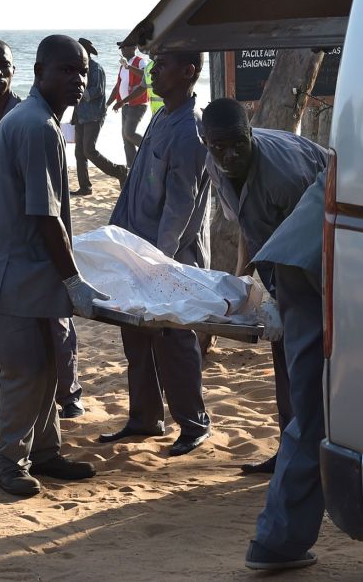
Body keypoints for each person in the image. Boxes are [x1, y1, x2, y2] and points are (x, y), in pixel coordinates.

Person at [0, 35, 104, 496]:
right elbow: (46, 214)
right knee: (26, 369)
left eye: (83, 71)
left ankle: (47, 452)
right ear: (39, 73)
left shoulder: (37, 119)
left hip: (19, 270)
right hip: (1, 274)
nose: (77, 80)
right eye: (66, 70)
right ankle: (10, 462)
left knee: (48, 364)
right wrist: (74, 281)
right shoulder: (37, 126)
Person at [199, 98, 329, 570]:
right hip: (292, 267)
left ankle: (280, 538)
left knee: (313, 397)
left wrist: (284, 302)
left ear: (250, 133)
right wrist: (245, 286)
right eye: (220, 147)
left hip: (321, 263)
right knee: (299, 381)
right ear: (207, 145)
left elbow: (317, 250)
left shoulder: (286, 176)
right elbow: (254, 230)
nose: (230, 154)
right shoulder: (217, 163)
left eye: (238, 144)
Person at [102, 51, 212, 457]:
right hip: (136, 246)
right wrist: (118, 236)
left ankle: (193, 423)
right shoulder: (163, 115)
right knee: (136, 335)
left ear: (188, 71)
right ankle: (145, 419)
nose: (153, 71)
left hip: (168, 255)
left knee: (173, 339)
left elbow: (180, 208)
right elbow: (137, 183)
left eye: (163, 64)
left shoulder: (190, 128)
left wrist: (156, 262)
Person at [70, 38, 127, 196]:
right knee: (79, 153)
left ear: (86, 53)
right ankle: (85, 187)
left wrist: (81, 92)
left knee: (89, 150)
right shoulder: (78, 70)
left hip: (94, 115)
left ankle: (119, 171)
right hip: (80, 115)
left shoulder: (96, 69)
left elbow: (98, 91)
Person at [106, 43, 149, 168]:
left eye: (125, 47)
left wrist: (128, 67)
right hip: (125, 105)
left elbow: (145, 76)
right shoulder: (123, 66)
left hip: (138, 104)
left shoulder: (140, 61)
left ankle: (151, 150)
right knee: (126, 139)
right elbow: (118, 86)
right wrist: (109, 103)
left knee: (129, 133)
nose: (122, 49)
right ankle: (132, 168)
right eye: (121, 48)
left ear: (134, 48)